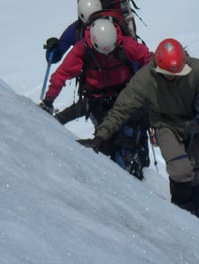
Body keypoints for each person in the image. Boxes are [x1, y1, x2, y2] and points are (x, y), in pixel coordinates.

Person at [84, 38, 199, 222]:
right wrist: (101, 136)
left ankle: (197, 216)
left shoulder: (195, 68)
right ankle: (184, 218)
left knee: (194, 171)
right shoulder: (145, 79)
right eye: (169, 74)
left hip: (194, 124)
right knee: (180, 169)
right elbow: (122, 108)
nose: (173, 77)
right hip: (165, 125)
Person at [39, 18, 152, 177]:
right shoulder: (83, 49)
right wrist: (49, 100)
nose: (107, 55)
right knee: (109, 143)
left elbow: (148, 59)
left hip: (118, 96)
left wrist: (48, 101)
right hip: (99, 101)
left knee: (124, 138)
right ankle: (126, 171)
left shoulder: (123, 43)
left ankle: (132, 167)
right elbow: (62, 74)